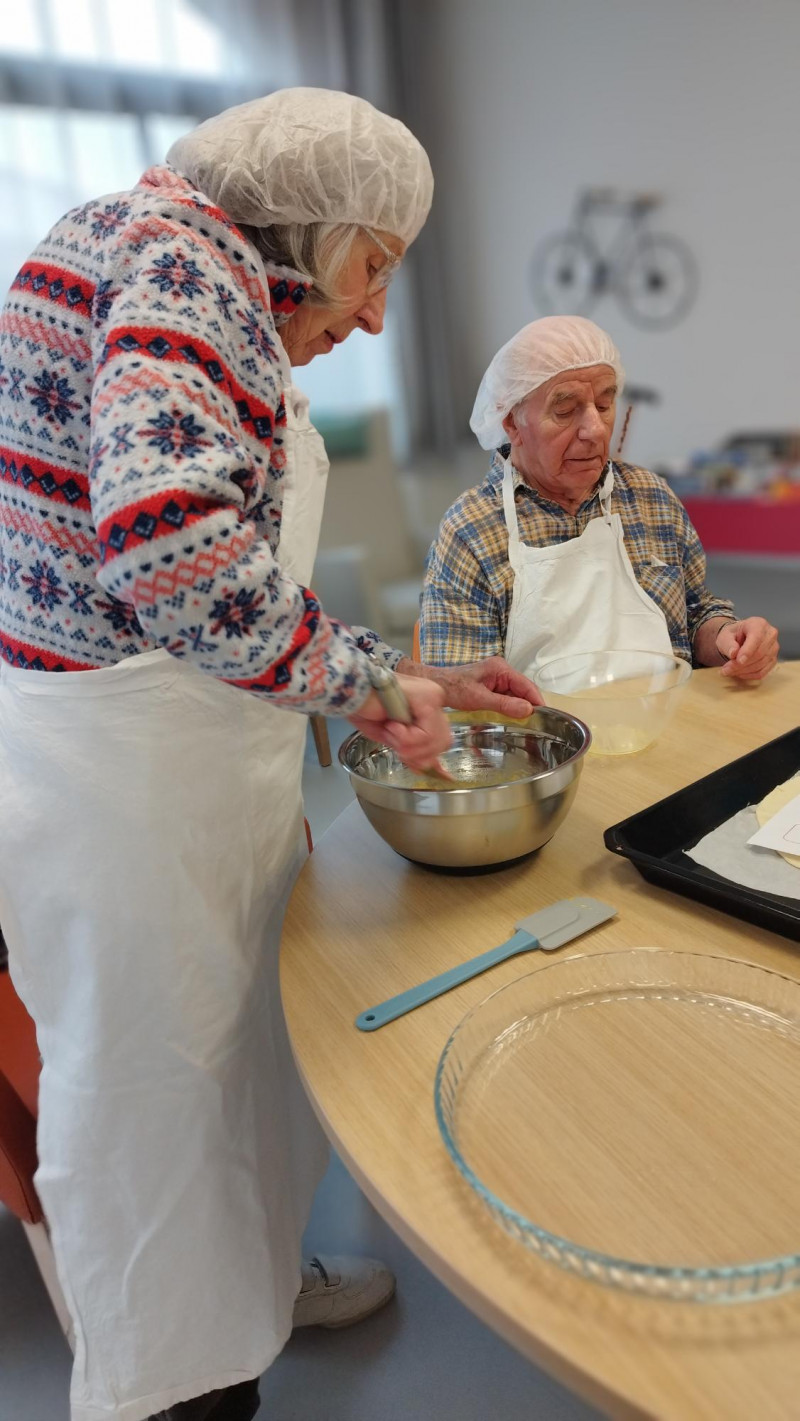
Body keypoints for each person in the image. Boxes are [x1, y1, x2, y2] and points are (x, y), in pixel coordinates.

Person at [0, 89, 543, 1421]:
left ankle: (250, 1294)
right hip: (137, 793)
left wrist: (406, 670)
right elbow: (177, 546)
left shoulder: (126, 233)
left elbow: (221, 560)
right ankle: (182, 1384)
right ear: (311, 225)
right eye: (375, 270)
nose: (369, 316)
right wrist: (366, 689)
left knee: (225, 1072)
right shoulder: (195, 269)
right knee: (161, 1109)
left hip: (149, 762)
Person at [420, 316, 779, 682]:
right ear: (511, 422)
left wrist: (726, 639)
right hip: (550, 737)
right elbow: (462, 697)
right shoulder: (471, 532)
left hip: (670, 722)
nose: (594, 430)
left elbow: (695, 613)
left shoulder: (651, 498)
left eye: (605, 405)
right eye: (565, 410)